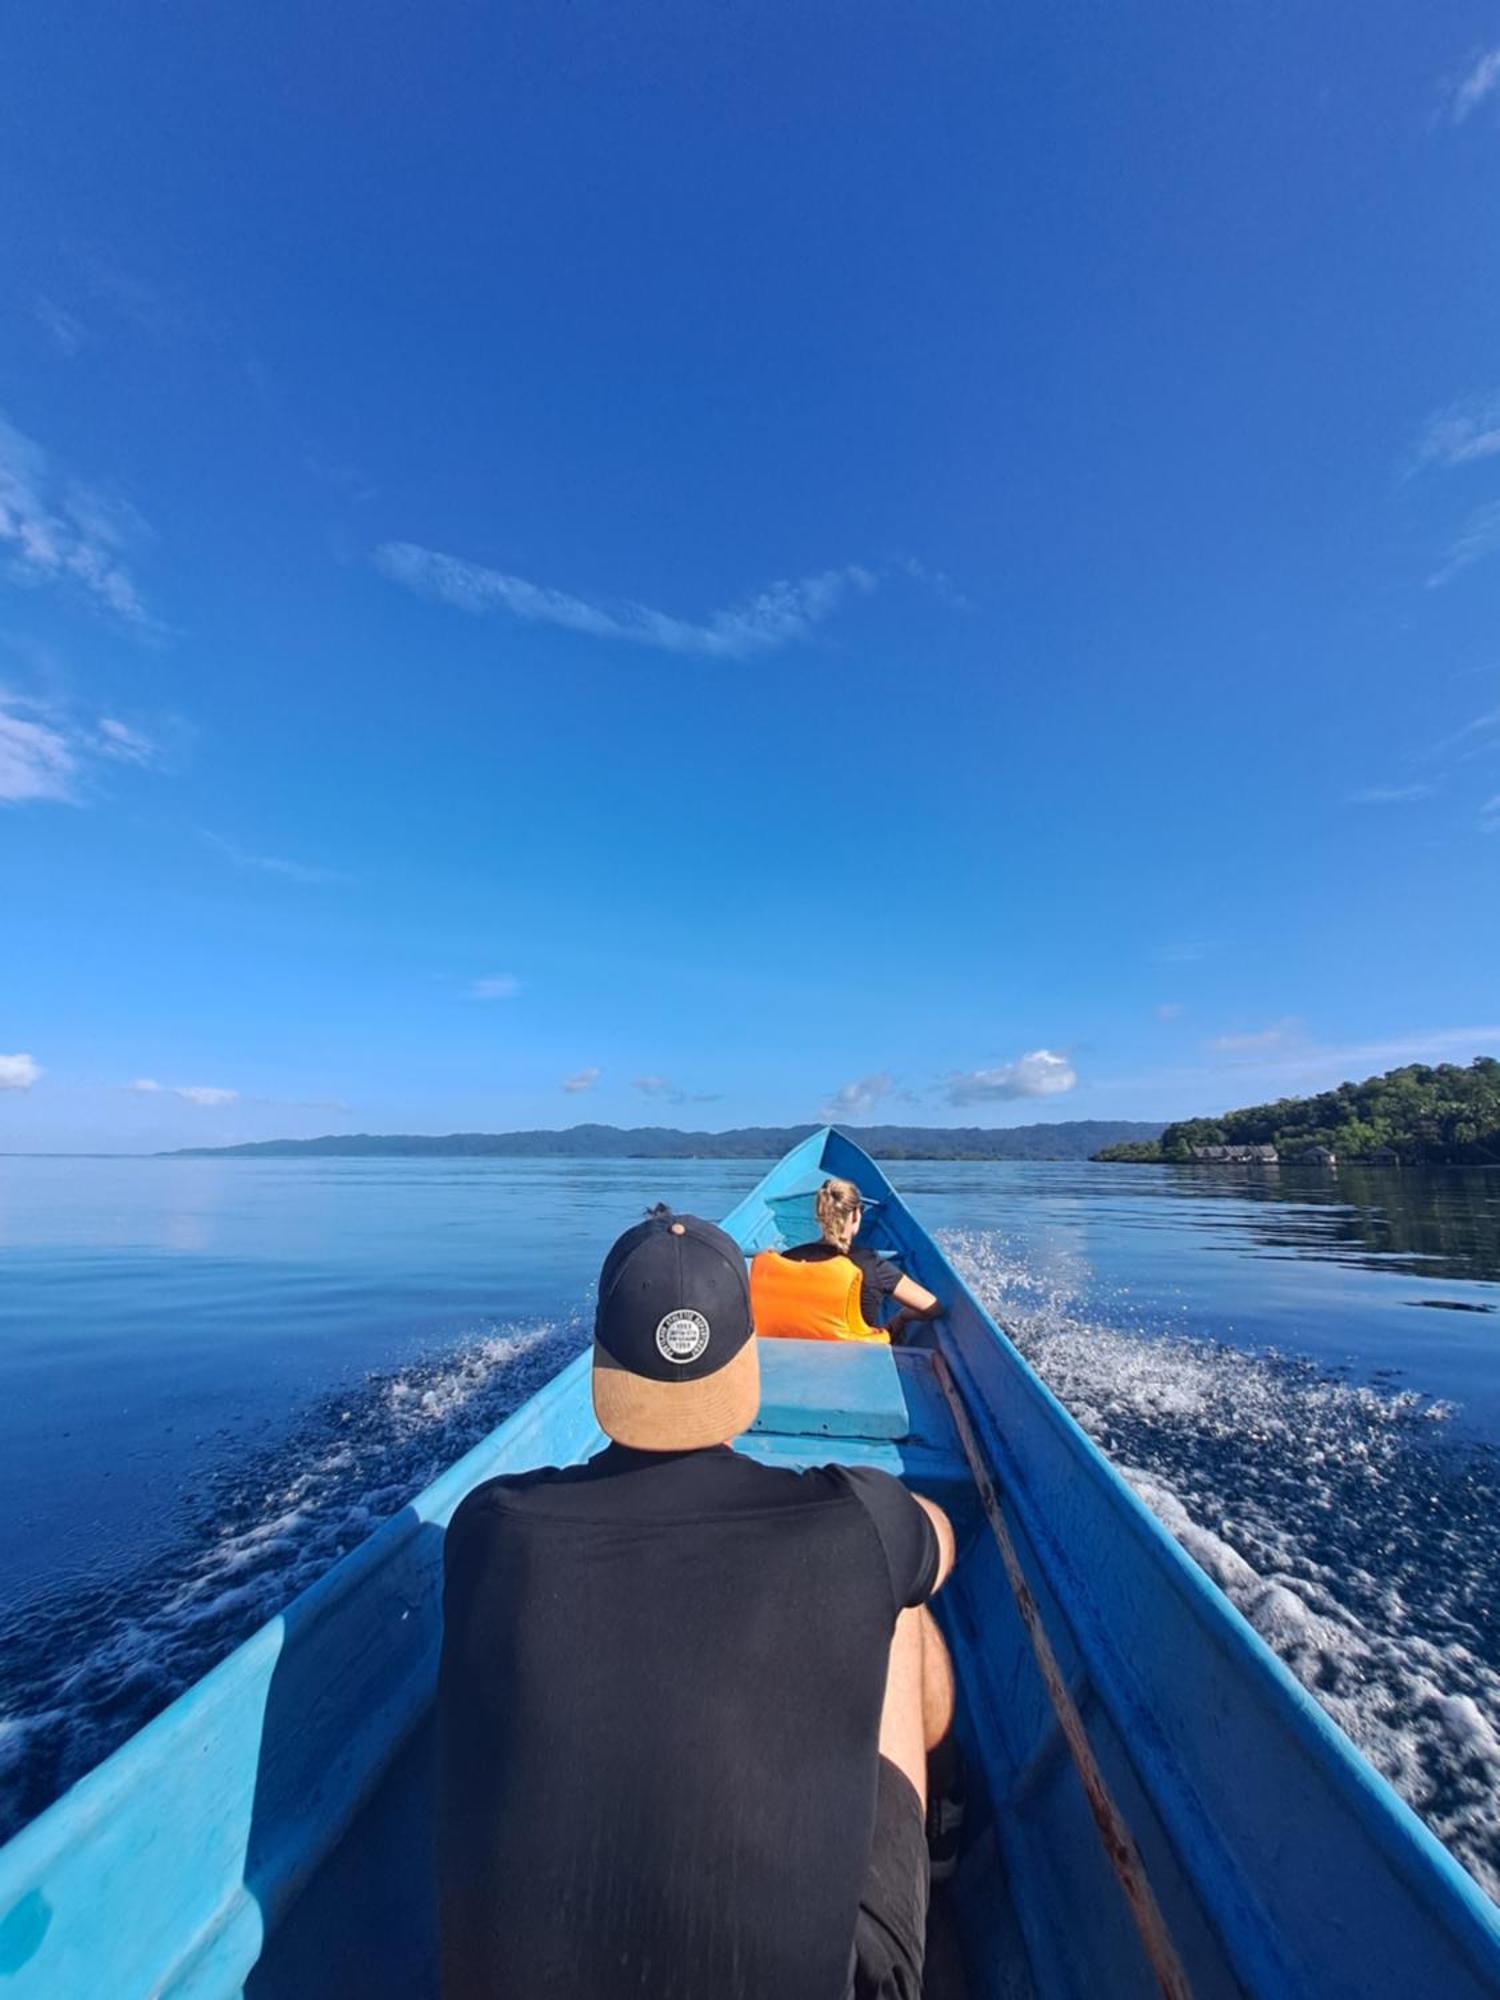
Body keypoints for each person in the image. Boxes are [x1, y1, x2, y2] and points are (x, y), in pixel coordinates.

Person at [437, 1205, 957, 2000]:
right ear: (748, 1362)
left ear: (601, 1364)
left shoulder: (488, 1525)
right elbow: (940, 1543)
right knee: (900, 1608)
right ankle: (942, 1833)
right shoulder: (860, 1523)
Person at [751, 1176, 942, 1344]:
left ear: (820, 1216)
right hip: (854, 1361)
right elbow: (931, 1308)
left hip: (788, 1356)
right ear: (857, 1214)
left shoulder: (788, 1260)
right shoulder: (872, 1265)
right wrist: (902, 1317)